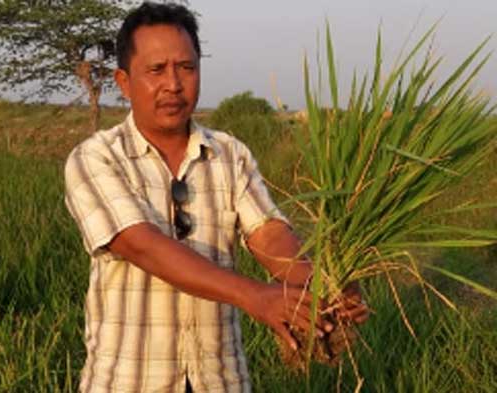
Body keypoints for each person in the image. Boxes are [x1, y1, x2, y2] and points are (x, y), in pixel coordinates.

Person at [64, 2, 368, 392]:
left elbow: (269, 236)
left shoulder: (229, 154)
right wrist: (257, 296)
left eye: (186, 68)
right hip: (129, 380)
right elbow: (142, 246)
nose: (173, 84)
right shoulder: (96, 157)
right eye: (156, 70)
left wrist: (324, 287)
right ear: (124, 82)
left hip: (219, 380)